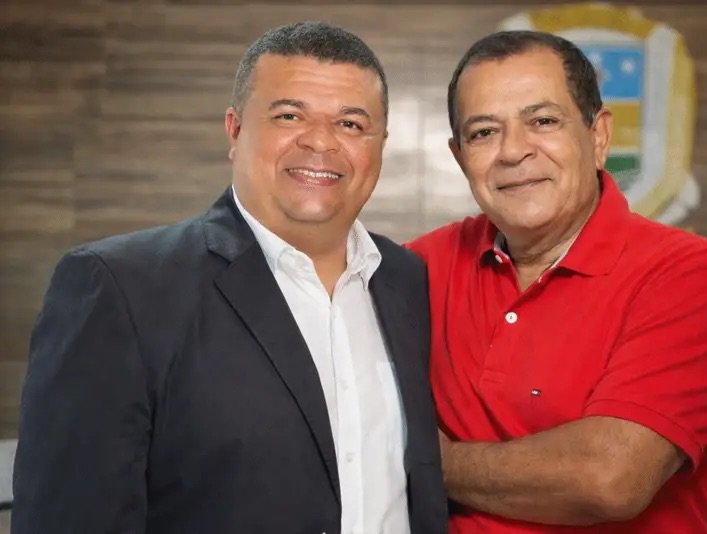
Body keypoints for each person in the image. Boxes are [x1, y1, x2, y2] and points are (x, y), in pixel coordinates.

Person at [13, 21, 447, 534]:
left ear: (380, 146)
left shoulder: (408, 280)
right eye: (289, 116)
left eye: (351, 124)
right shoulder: (120, 287)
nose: (320, 141)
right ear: (235, 130)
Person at [408, 30, 707, 533]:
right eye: (484, 132)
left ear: (598, 136)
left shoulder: (690, 276)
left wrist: (428, 461)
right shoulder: (414, 268)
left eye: (543, 121)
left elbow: (608, 479)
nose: (513, 151)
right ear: (461, 158)